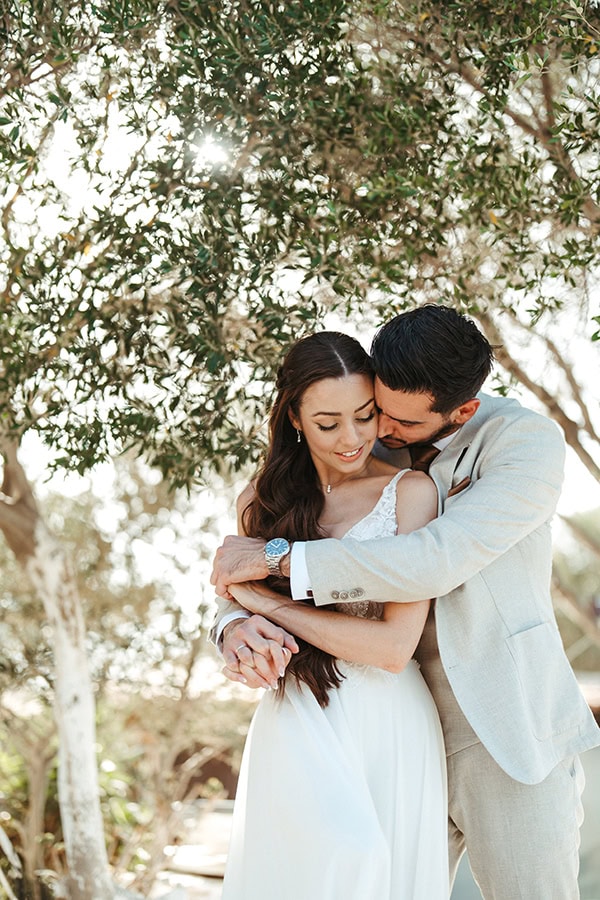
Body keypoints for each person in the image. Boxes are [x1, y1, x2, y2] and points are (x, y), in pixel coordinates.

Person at [212, 305, 600, 900]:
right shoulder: (356, 438)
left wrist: (278, 563)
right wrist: (232, 623)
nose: (378, 433)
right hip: (376, 728)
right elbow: (240, 571)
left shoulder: (524, 443)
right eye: (375, 409)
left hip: (501, 728)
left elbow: (435, 558)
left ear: (461, 411)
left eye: (396, 420)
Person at [218, 331, 449, 900]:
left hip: (389, 719)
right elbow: (226, 599)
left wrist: (267, 602)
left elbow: (393, 647)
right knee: (329, 866)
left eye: (365, 416)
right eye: (328, 423)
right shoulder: (260, 499)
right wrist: (234, 630)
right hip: (296, 711)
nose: (351, 439)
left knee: (375, 867)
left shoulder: (410, 494)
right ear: (295, 417)